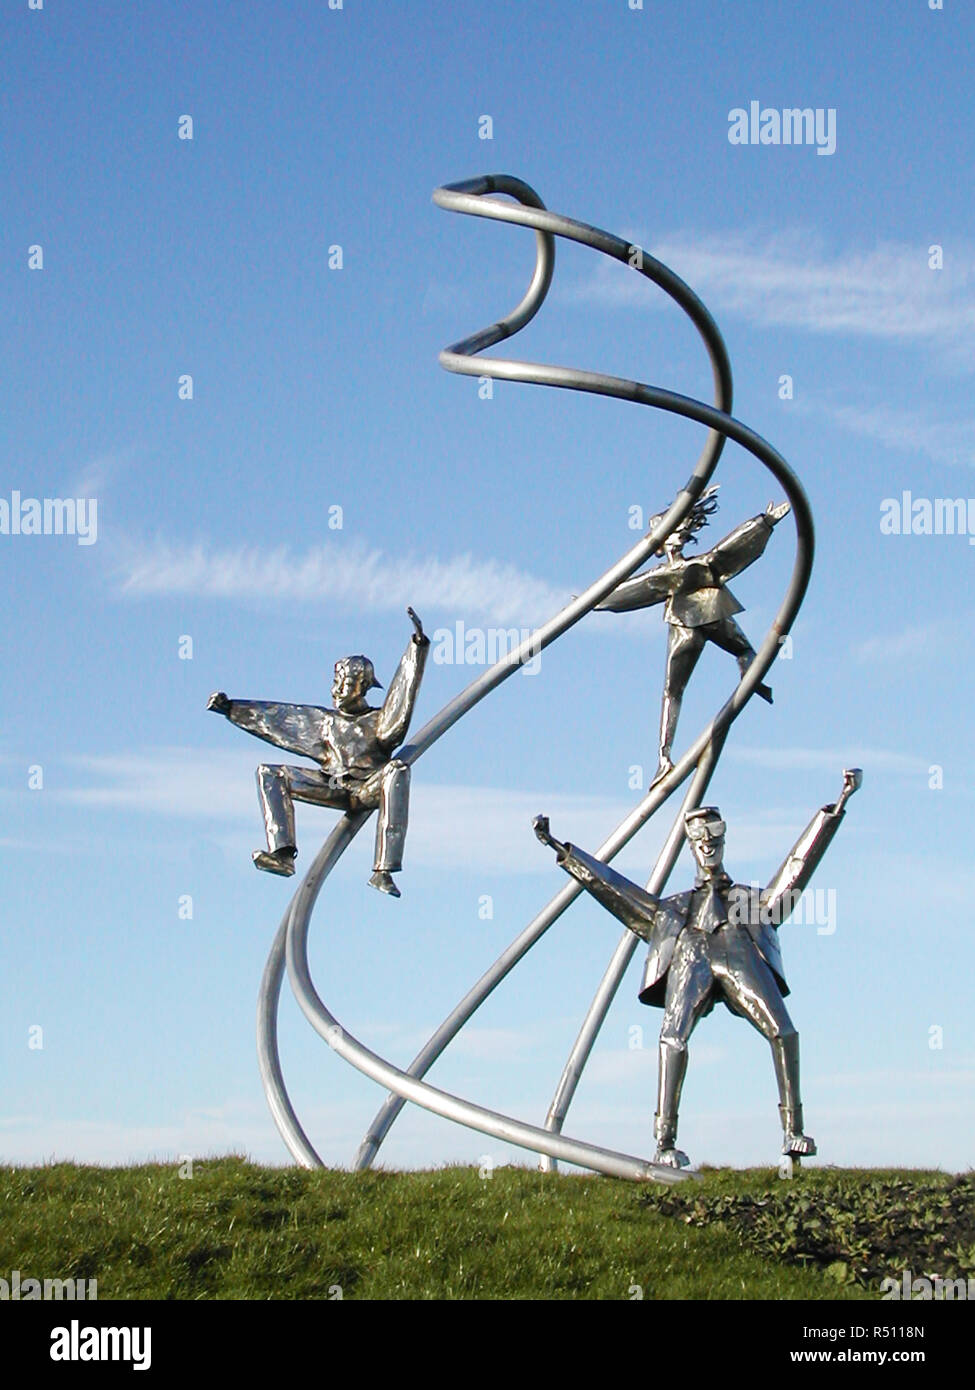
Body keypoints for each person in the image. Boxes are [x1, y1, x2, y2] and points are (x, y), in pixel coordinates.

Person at [532, 768, 861, 1167]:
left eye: (714, 831)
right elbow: (614, 889)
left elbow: (796, 872)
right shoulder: (672, 909)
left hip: (739, 946)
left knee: (784, 1031)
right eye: (698, 835)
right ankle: (664, 1142)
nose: (707, 841)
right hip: (690, 950)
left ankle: (793, 1131)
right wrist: (565, 852)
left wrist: (835, 809)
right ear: (690, 843)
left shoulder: (749, 903)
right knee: (672, 1037)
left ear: (724, 835)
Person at [207, 608, 429, 897]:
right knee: (270, 773)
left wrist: (417, 646)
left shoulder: (378, 721)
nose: (336, 689)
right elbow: (277, 719)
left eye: (345, 683)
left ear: (362, 687)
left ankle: (383, 870)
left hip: (367, 787)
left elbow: (401, 697)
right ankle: (283, 854)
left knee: (397, 770)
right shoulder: (325, 723)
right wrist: (232, 709)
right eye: (335, 682)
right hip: (333, 785)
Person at [596, 488, 791, 783]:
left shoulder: (693, 566)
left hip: (705, 614)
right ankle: (663, 757)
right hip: (693, 620)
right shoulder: (668, 574)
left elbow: (731, 548)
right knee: (676, 688)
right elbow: (627, 592)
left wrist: (764, 522)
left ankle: (749, 679)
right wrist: (593, 602)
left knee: (728, 659)